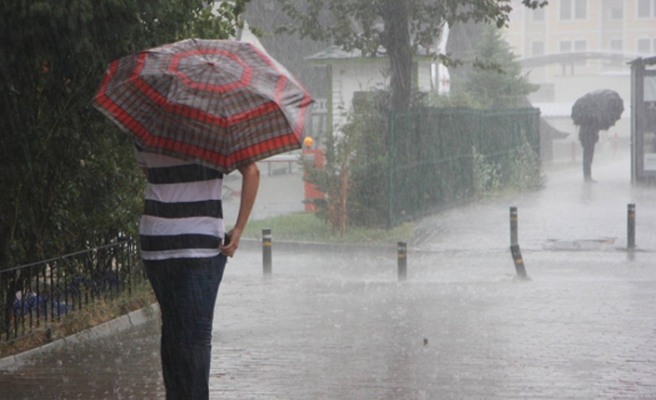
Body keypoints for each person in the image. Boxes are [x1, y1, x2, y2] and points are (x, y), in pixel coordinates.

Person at [135, 146, 260, 400]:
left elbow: (150, 172)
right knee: (196, 336)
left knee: (173, 327)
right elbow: (252, 171)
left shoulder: (150, 123)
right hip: (199, 242)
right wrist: (238, 228)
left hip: (157, 239)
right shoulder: (214, 128)